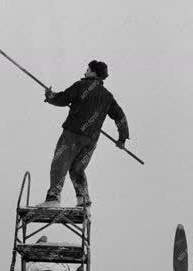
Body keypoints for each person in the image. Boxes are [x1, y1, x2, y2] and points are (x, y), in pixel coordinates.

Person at [41, 60, 129, 210]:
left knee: (60, 163)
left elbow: (62, 99)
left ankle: (53, 198)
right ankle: (83, 200)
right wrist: (122, 138)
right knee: (77, 169)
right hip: (90, 141)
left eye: (87, 70)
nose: (85, 72)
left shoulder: (81, 86)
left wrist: (50, 96)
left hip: (72, 135)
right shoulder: (108, 96)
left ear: (94, 72)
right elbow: (120, 117)